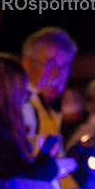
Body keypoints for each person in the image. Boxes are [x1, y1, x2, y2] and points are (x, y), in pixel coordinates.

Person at [20, 26, 77, 156]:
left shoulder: (47, 107)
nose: (58, 73)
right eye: (50, 64)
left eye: (64, 66)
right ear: (26, 63)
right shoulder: (21, 105)